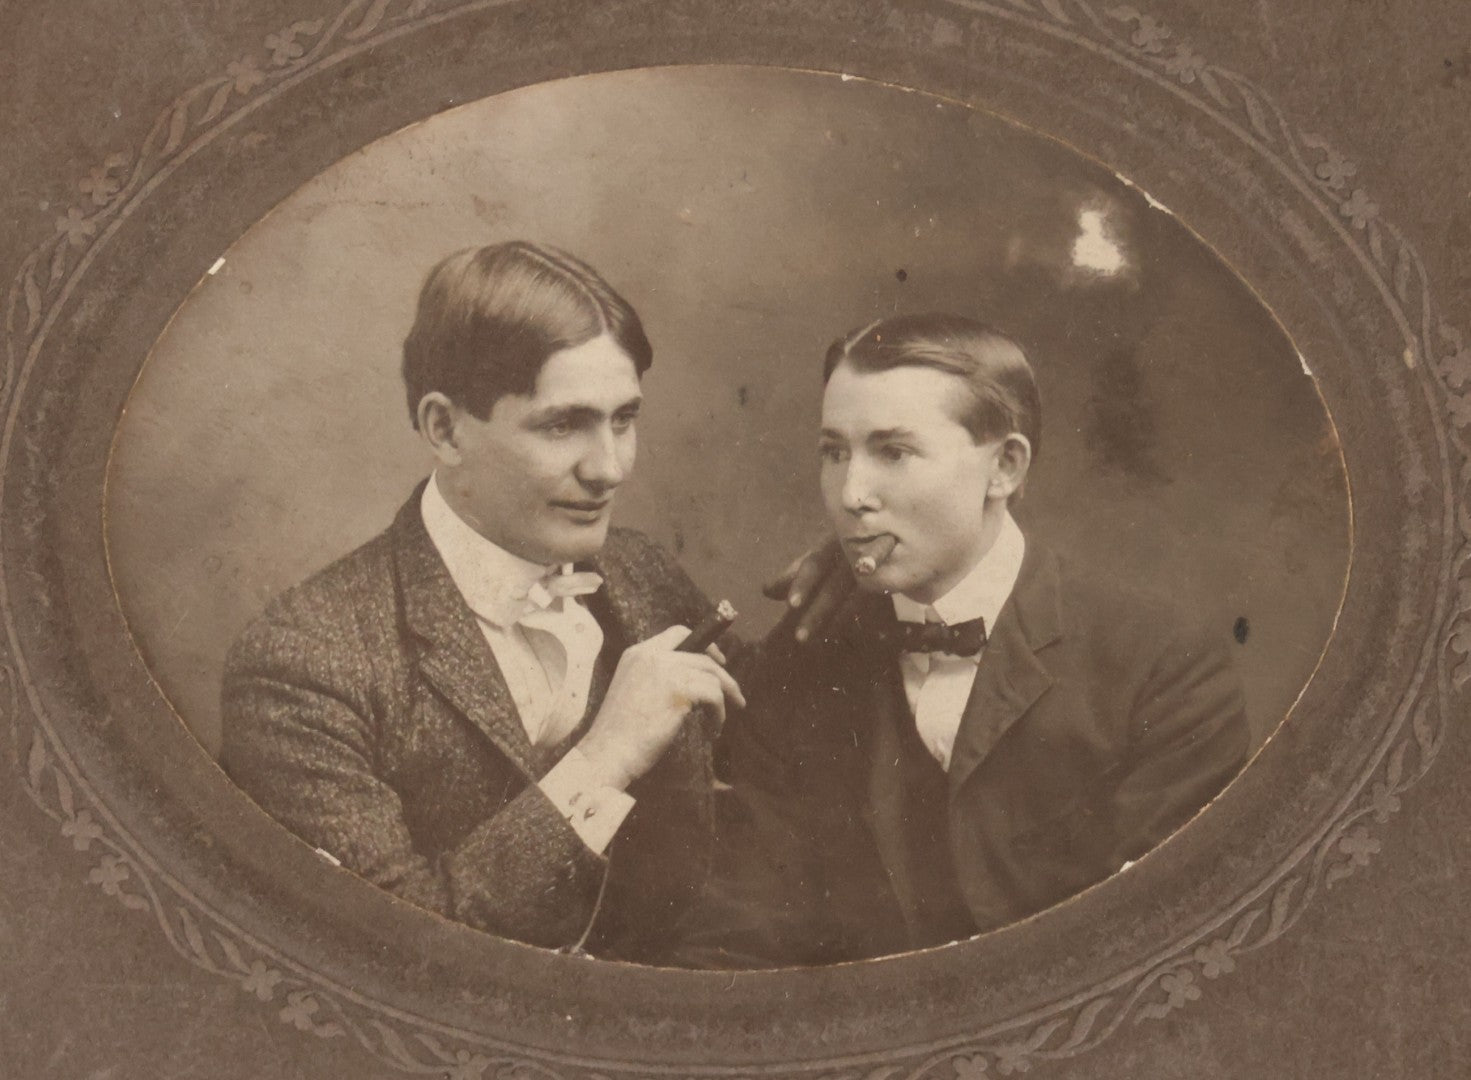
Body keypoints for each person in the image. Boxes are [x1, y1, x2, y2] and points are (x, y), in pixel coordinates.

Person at [219, 241, 746, 962]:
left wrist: (863, 581)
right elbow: (395, 954)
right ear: (444, 429)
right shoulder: (301, 663)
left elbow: (791, 756)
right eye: (562, 425)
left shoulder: (641, 571)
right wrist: (605, 758)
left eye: (623, 419)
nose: (610, 468)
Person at [710, 312, 1251, 965]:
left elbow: (1159, 955)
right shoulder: (799, 662)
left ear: (1005, 467)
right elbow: (743, 940)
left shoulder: (1162, 667)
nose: (850, 494)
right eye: (834, 452)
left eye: (893, 452)